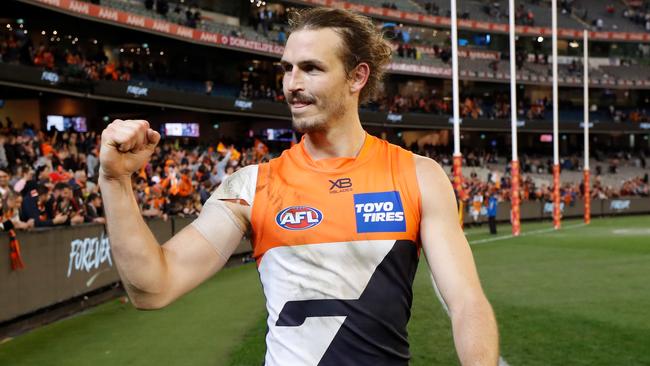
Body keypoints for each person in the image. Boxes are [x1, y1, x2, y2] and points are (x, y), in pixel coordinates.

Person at [99, 7, 498, 365]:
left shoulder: (417, 175)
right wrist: (115, 181)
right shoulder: (250, 186)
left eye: (311, 68)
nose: (292, 83)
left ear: (358, 76)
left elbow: (466, 302)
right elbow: (153, 288)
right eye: (287, 68)